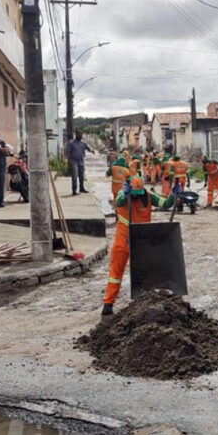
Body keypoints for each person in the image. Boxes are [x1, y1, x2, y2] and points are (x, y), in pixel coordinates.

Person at [101, 175, 173, 315]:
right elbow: (118, 201)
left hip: (141, 240)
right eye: (134, 195)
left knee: (145, 272)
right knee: (115, 274)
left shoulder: (148, 195)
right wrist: (126, 194)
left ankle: (144, 301)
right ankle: (108, 303)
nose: (136, 198)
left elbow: (165, 204)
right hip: (123, 241)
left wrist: (173, 195)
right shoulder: (124, 194)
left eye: (137, 195)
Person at [66, 131, 94, 195]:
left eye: (81, 134)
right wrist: (69, 161)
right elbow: (68, 153)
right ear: (76, 135)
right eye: (79, 134)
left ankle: (81, 188)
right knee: (75, 176)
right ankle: (74, 190)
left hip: (81, 161)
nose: (80, 136)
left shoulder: (83, 143)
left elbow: (87, 148)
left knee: (82, 176)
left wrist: (92, 151)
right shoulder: (71, 143)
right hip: (73, 161)